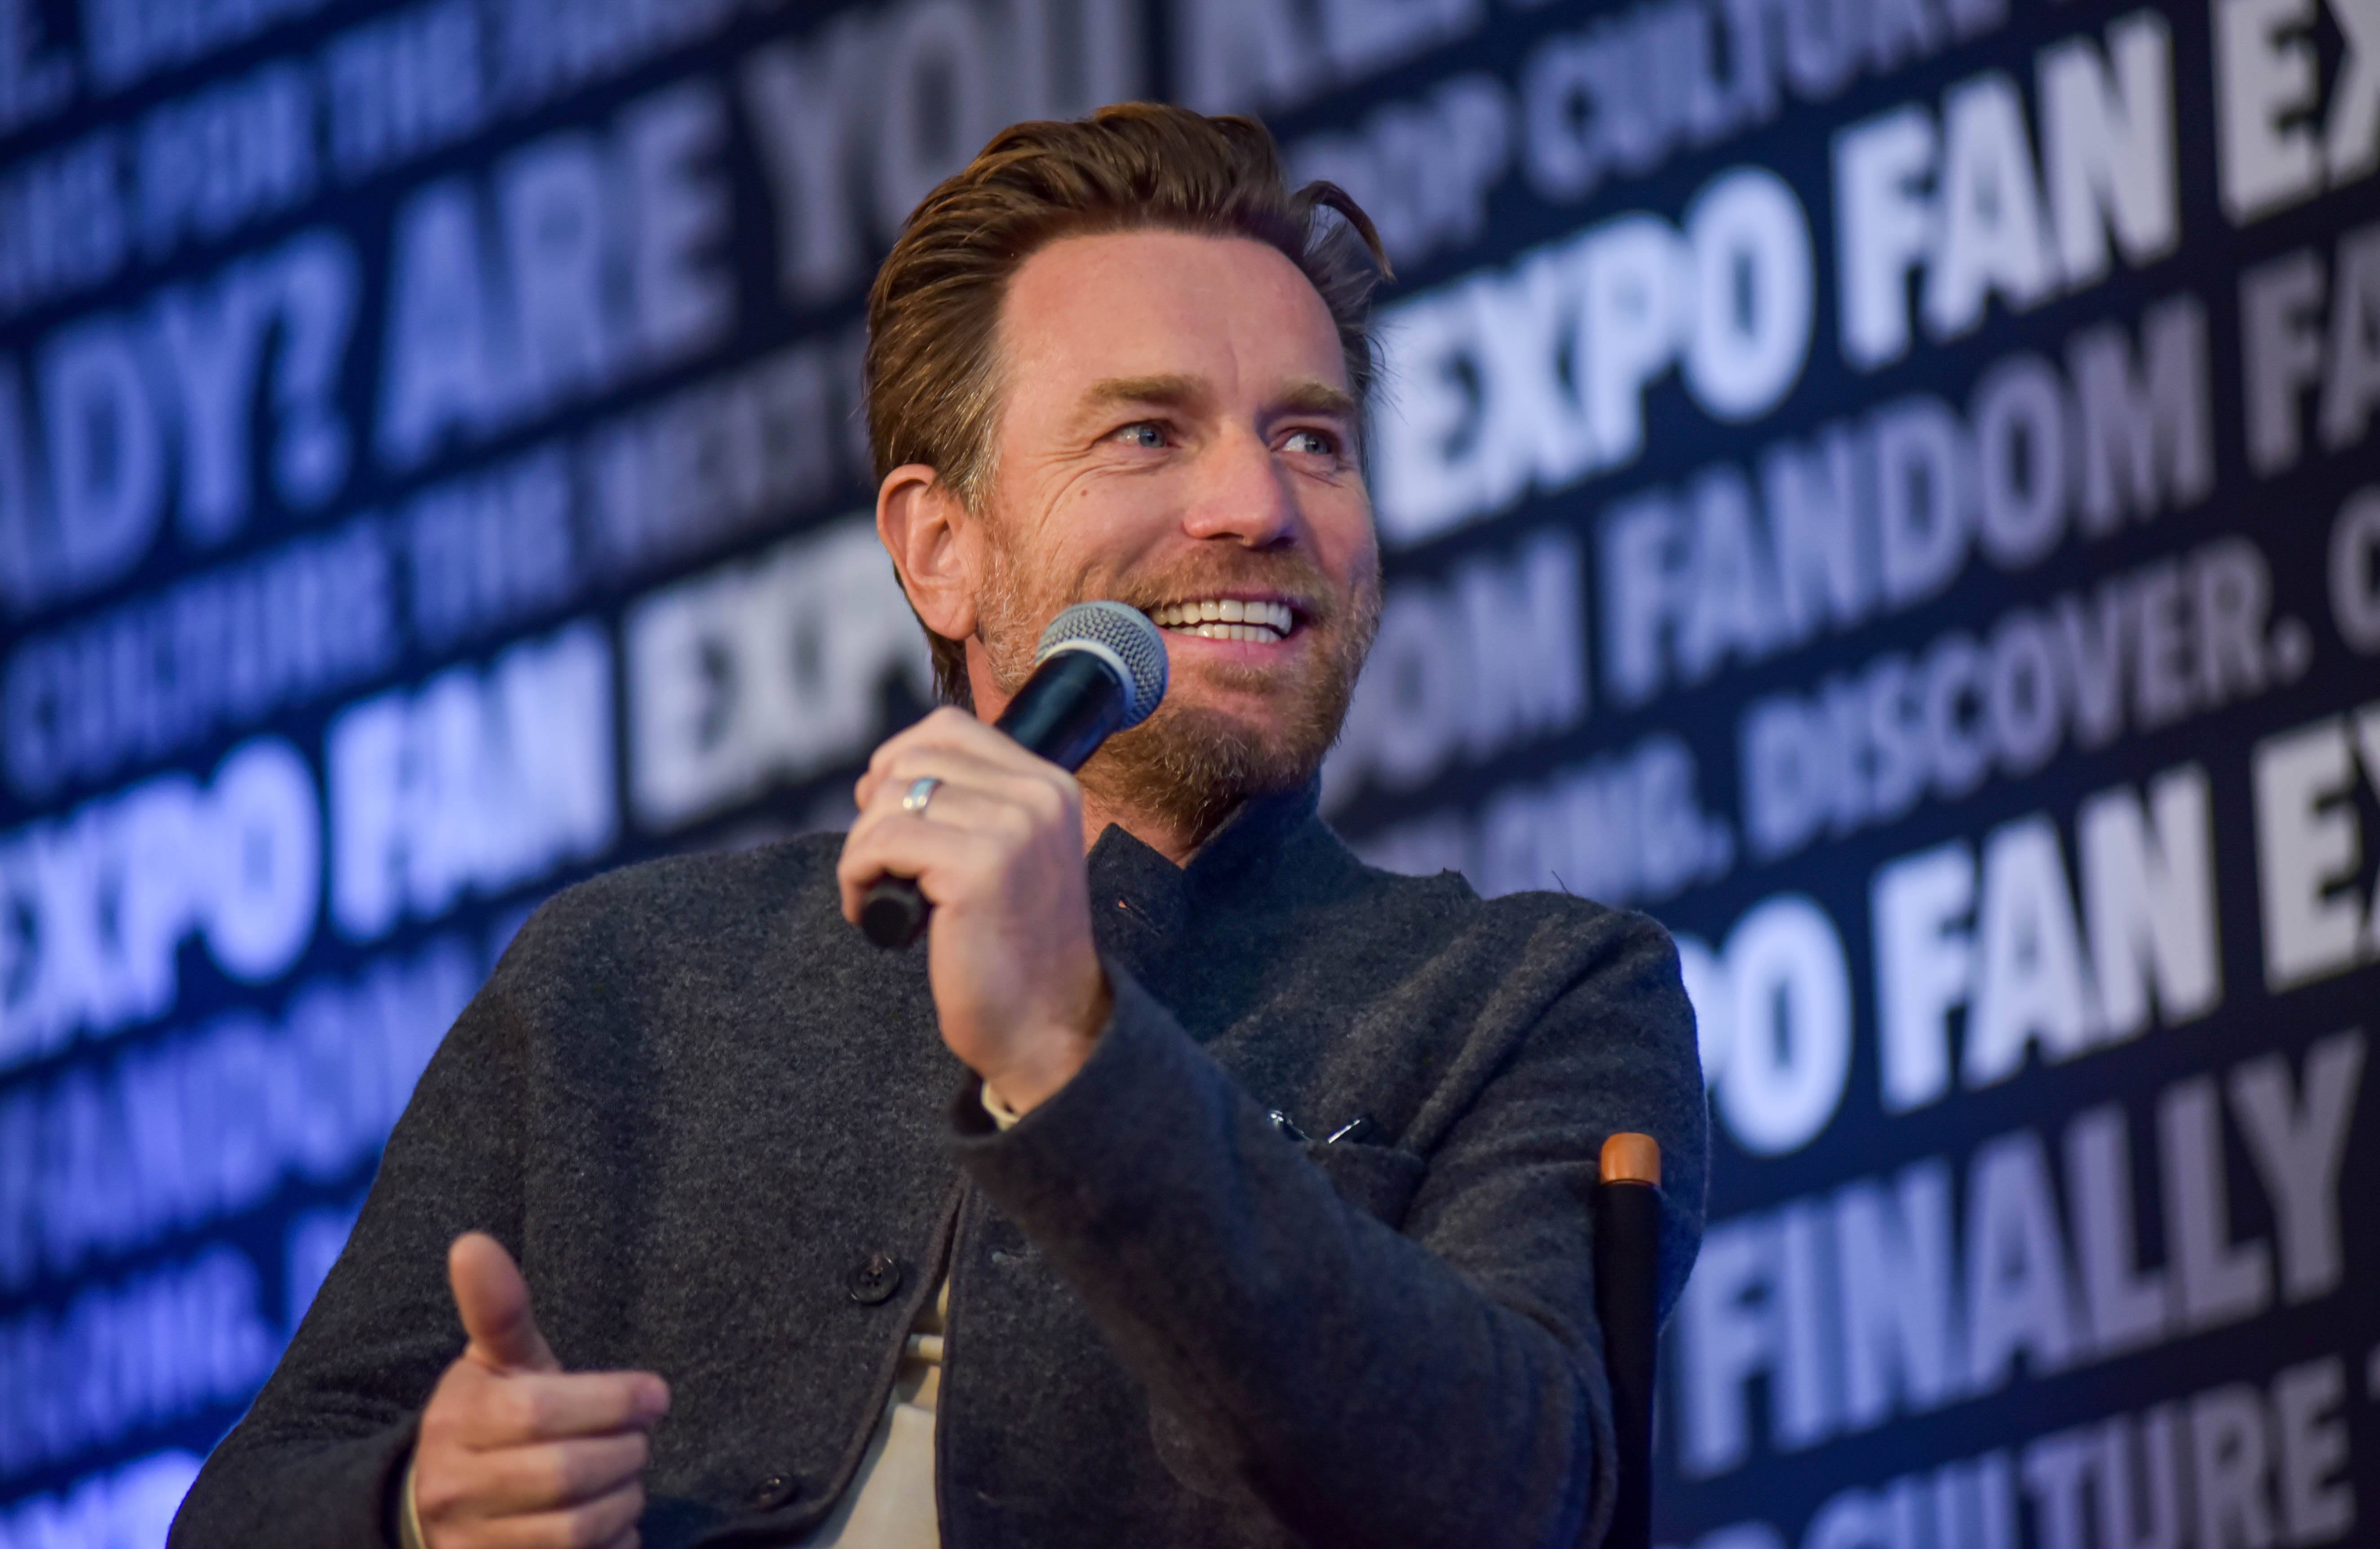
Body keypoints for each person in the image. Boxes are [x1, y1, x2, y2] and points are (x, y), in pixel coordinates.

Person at [171, 103, 1706, 1549]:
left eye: (1313, 439)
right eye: (1147, 435)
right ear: (939, 552)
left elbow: (1522, 1497)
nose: (1259, 503)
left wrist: (1074, 1053)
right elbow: (245, 1512)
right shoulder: (619, 982)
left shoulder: (1533, 998)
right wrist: (424, 1510)